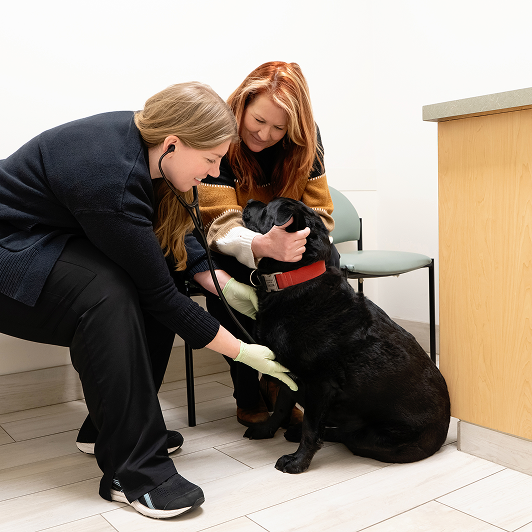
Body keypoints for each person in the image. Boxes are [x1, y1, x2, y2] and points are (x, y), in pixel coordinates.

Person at [0, 82, 297, 520]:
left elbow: (165, 240)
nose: (213, 173)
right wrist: (245, 352)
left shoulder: (147, 146)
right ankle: (135, 472)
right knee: (107, 295)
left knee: (153, 284)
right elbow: (156, 294)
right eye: (211, 160)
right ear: (174, 144)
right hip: (10, 250)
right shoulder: (110, 174)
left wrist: (221, 284)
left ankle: (107, 430)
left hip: (43, 238)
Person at [198, 62, 339, 426]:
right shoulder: (220, 134)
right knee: (230, 280)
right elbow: (218, 221)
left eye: (279, 128)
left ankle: (289, 380)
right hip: (232, 242)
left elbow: (320, 212)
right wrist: (261, 246)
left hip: (290, 242)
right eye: (258, 120)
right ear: (242, 105)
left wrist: (294, 245)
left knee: (329, 266)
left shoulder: (308, 140)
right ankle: (247, 388)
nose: (264, 134)